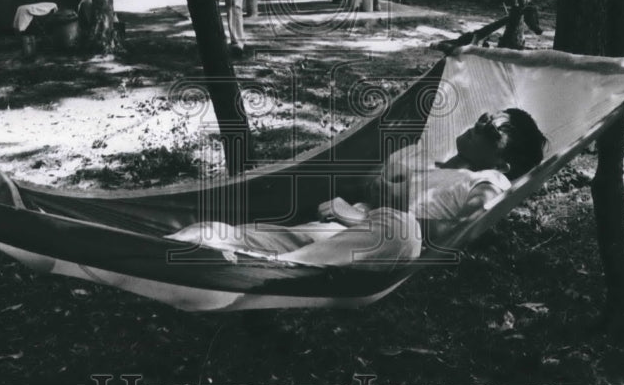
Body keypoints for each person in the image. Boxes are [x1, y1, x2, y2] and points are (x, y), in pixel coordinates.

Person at [166, 108, 547, 269]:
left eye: (492, 130)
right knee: (242, 236)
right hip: (346, 228)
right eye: (484, 118)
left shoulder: (491, 181)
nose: (481, 123)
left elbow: (452, 235)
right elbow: (369, 183)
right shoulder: (429, 159)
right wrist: (367, 203)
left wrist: (385, 201)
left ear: (503, 165)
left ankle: (270, 269)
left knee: (404, 232)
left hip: (383, 234)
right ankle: (166, 246)